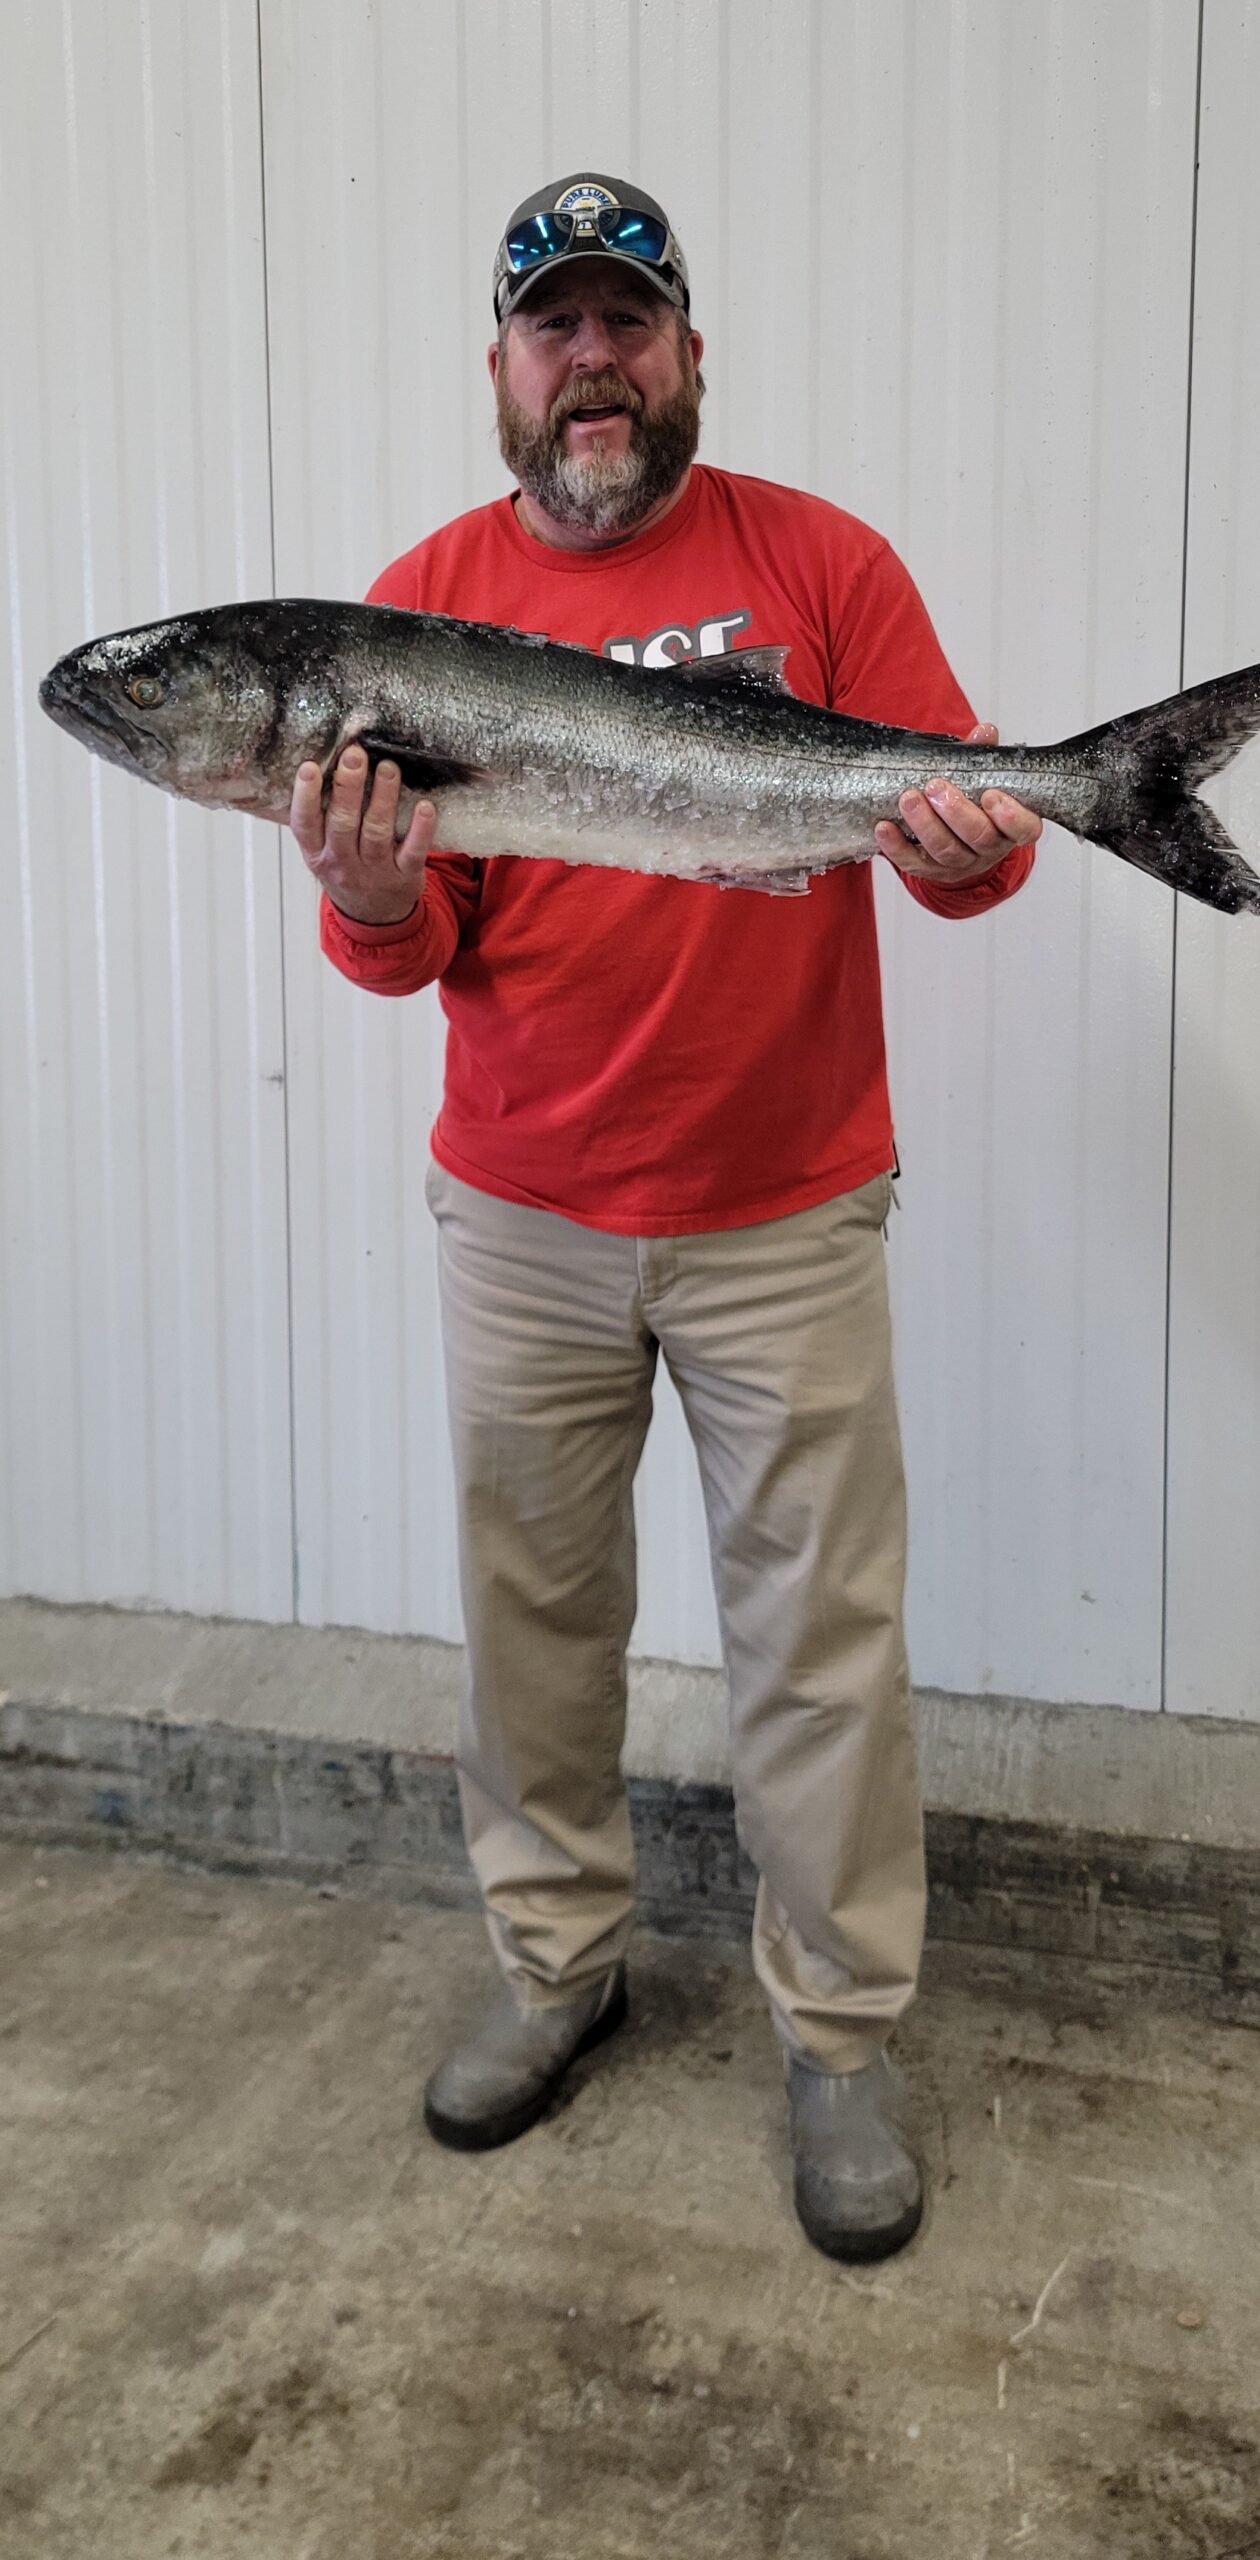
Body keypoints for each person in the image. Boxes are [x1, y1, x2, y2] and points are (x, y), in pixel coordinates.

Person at [291, 174, 1041, 2264]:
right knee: (535, 1621)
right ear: (506, 374)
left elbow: (961, 856)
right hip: (523, 1206)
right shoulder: (420, 603)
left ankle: (840, 2031)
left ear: (689, 352)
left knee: (821, 1641)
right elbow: (412, 941)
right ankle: (558, 1962)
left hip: (787, 1204)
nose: (594, 363)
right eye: (557, 329)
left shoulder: (820, 560)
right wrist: (365, 889)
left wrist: (990, 832)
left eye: (632, 324)